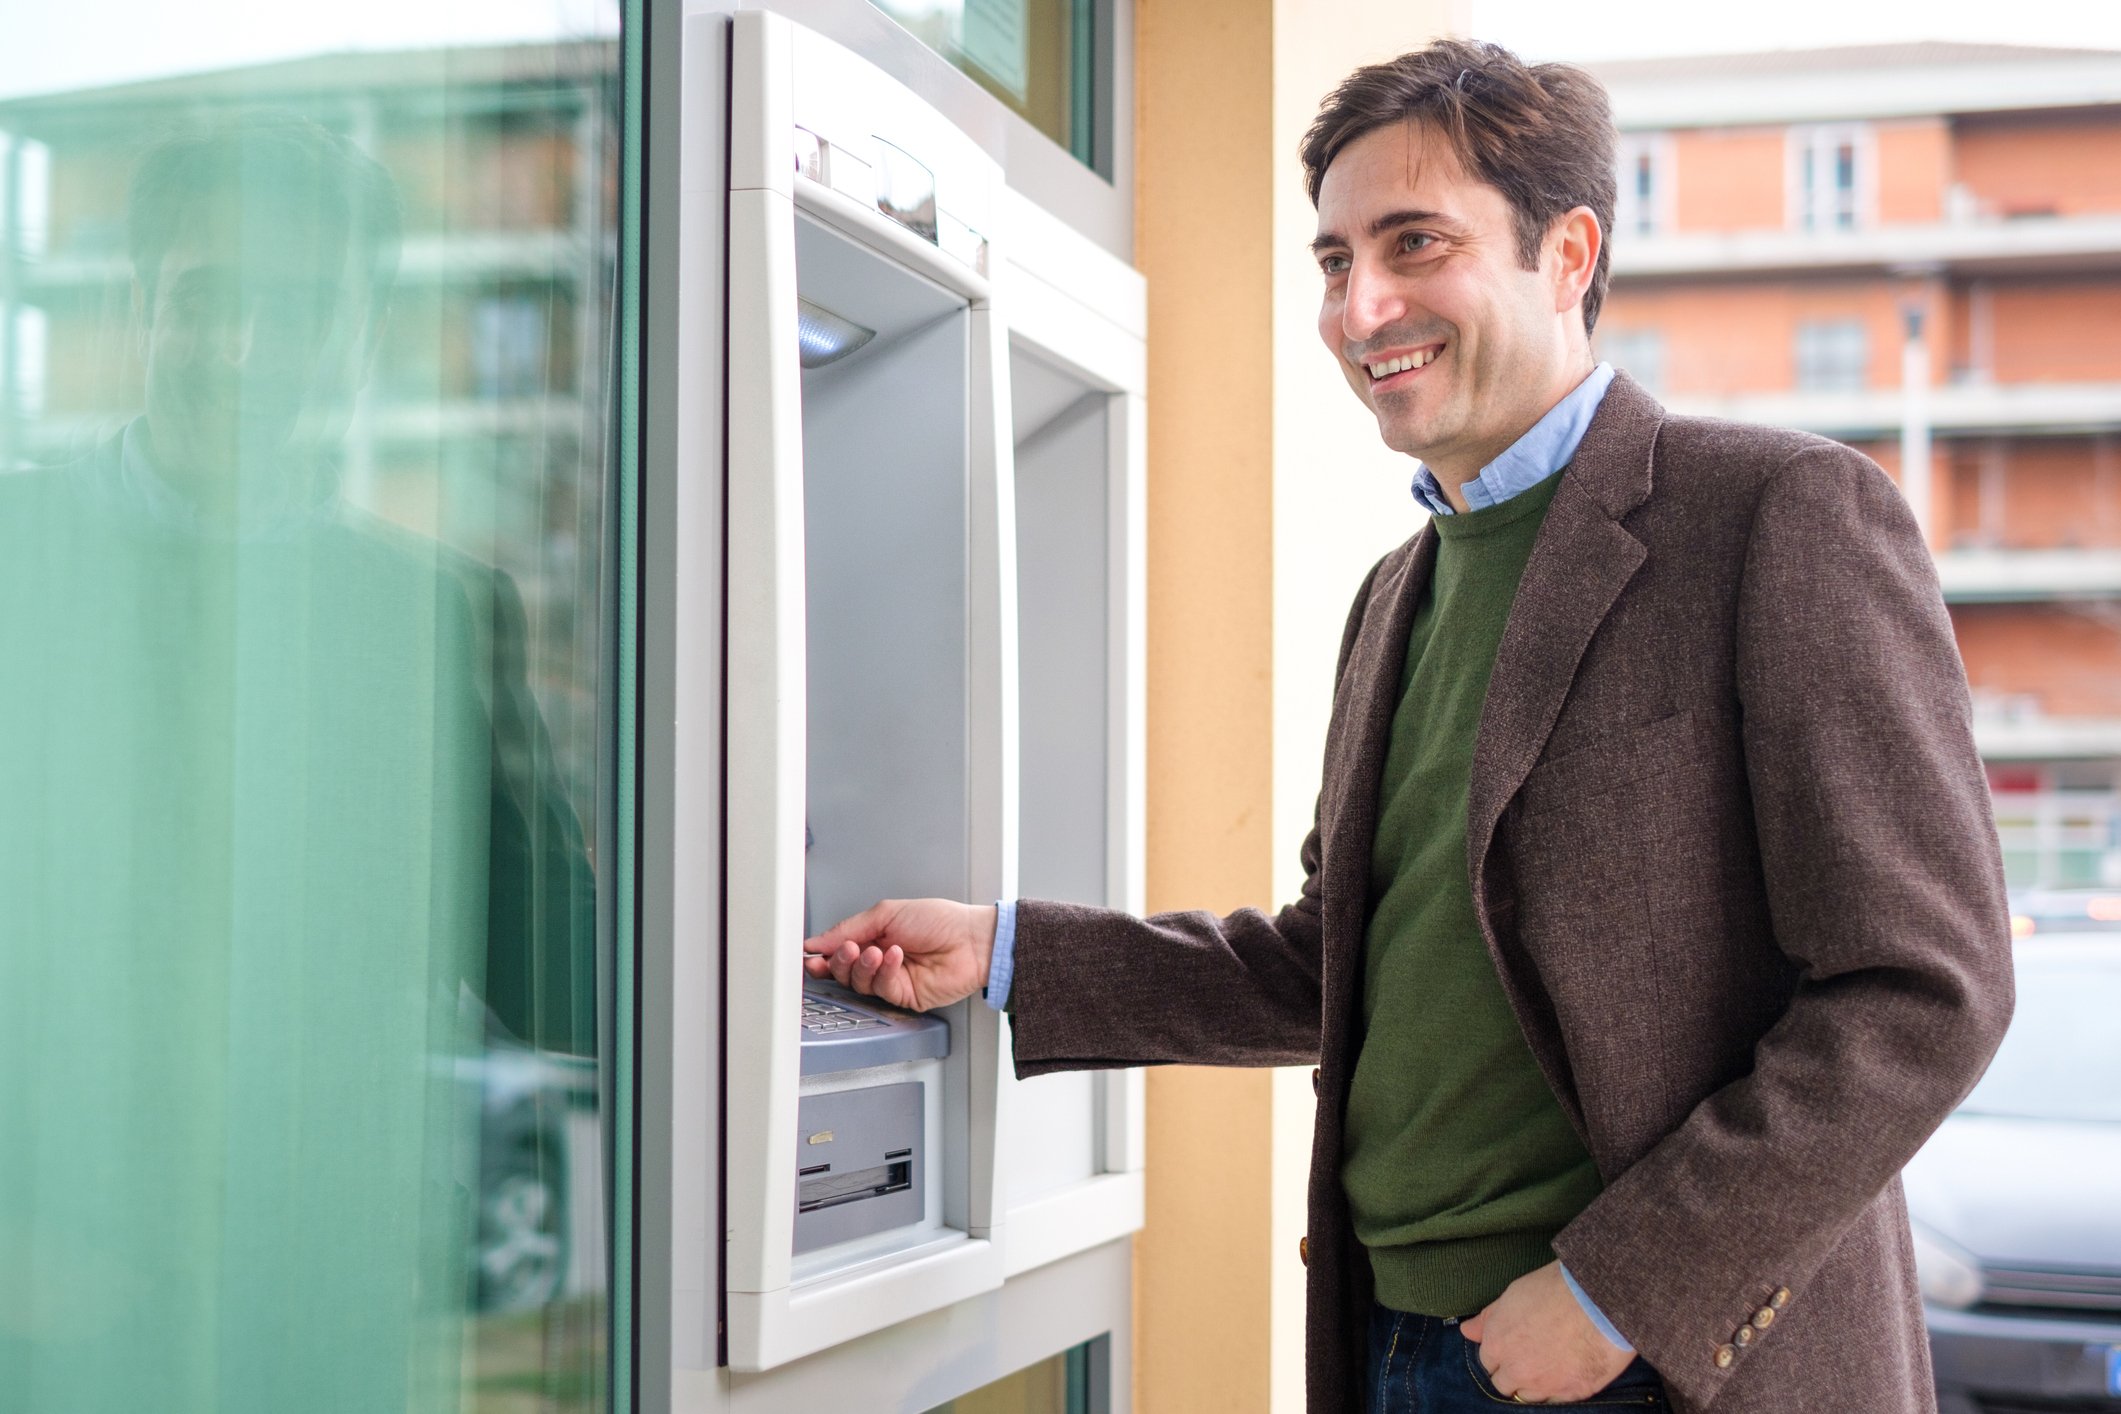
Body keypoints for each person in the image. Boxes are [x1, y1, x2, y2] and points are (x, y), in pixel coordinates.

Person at [804, 38, 2012, 1414]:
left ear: (1566, 253)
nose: (1359, 304)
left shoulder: (1775, 516)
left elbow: (1924, 985)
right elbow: (1334, 961)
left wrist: (1622, 1288)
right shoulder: (1399, 590)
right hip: (1393, 1338)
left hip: (1640, 1360)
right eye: (1331, 260)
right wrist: (1011, 949)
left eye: (1413, 243)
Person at [0, 112, 592, 1411]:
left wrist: (794, 978)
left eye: (294, 307)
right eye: (206, 299)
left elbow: (563, 978)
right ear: (141, 304)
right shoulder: (11, 559)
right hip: (36, 1305)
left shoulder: (434, 617)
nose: (246, 349)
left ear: (358, 335)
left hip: (320, 1316)